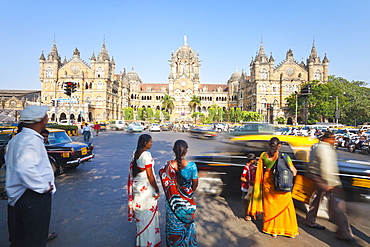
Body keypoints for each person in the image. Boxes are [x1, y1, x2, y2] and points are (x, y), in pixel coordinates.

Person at [5, 105, 56, 247]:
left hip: (20, 197)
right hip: (31, 197)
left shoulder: (18, 139)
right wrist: (43, 187)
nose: (47, 117)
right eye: (45, 115)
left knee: (20, 239)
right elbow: (25, 169)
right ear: (41, 120)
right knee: (35, 239)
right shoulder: (30, 140)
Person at [303, 131, 355, 242]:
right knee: (337, 205)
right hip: (324, 178)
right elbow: (326, 167)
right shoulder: (324, 149)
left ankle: (309, 220)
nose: (334, 141)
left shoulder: (320, 146)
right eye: (333, 139)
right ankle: (344, 232)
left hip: (318, 176)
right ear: (327, 139)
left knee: (317, 199)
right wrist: (331, 184)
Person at [248, 137, 299, 238]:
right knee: (286, 207)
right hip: (281, 185)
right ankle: (288, 230)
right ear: (279, 146)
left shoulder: (263, 156)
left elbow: (260, 172)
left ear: (269, 145)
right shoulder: (284, 157)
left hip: (268, 184)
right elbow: (294, 172)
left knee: (270, 207)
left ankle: (273, 230)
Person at [159, 140, 198, 246]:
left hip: (171, 204)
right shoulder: (192, 166)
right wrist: (187, 195)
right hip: (187, 202)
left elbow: (164, 181)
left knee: (173, 227)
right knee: (187, 227)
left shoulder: (167, 167)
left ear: (174, 150)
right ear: (186, 151)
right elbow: (194, 185)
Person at [127, 134, 161, 247]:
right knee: (147, 216)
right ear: (145, 143)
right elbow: (150, 176)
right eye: (150, 142)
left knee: (142, 217)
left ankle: (141, 242)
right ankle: (148, 243)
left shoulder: (135, 153)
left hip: (137, 188)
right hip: (146, 190)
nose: (151, 144)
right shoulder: (146, 155)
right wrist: (157, 189)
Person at [240, 153, 256, 221]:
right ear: (251, 160)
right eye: (254, 159)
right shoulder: (246, 167)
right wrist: (250, 182)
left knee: (253, 201)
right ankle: (247, 214)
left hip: (252, 187)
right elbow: (242, 178)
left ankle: (252, 213)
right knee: (246, 201)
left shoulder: (254, 167)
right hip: (247, 187)